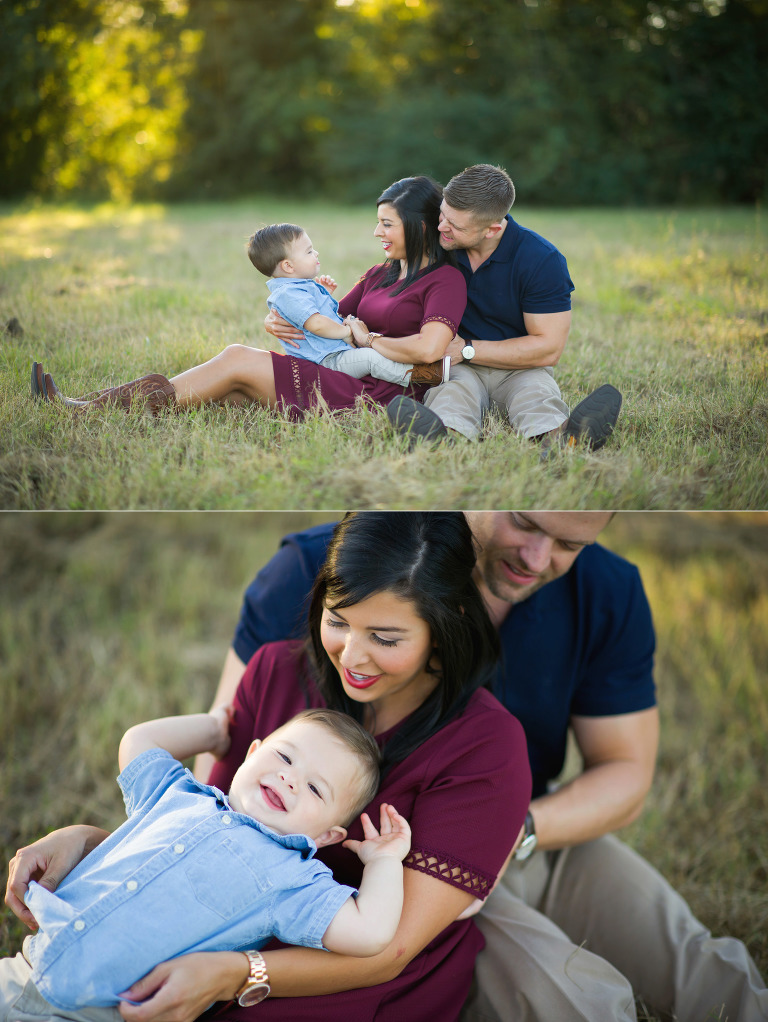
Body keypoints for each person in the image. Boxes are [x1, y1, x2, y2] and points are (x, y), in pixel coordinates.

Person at [194, 512, 767, 1022]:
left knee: (691, 961)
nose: (539, 558)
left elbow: (626, 773)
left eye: (570, 544)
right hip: (362, 870)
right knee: (569, 999)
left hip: (524, 826)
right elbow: (230, 760)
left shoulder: (605, 592)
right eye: (525, 523)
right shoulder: (314, 566)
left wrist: (510, 834)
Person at [5, 512, 532, 1022]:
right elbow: (209, 836)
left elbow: (387, 948)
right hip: (186, 950)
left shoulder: (486, 746)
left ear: (442, 627)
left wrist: (234, 973)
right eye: (338, 621)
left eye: (386, 639)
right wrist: (87, 840)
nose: (351, 655)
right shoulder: (276, 671)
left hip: (353, 985)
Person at [0, 707, 412, 1019]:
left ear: (326, 837)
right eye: (285, 758)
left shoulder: (294, 879)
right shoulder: (178, 793)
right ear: (252, 753)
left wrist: (384, 861)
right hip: (26, 965)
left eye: (315, 789)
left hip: (102, 1011)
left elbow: (371, 932)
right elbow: (138, 741)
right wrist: (214, 729)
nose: (290, 779)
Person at [29, 177, 464, 423]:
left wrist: (368, 342)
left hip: (380, 391)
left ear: (419, 226)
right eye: (377, 222)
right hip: (339, 370)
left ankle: (86, 411)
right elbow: (322, 313)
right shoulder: (378, 273)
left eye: (386, 224)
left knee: (237, 361)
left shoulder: (444, 280)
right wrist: (275, 321)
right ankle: (88, 406)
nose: (376, 233)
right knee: (226, 390)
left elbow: (429, 349)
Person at [384, 164, 624, 450]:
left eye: (456, 226)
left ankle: (566, 442)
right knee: (450, 396)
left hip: (519, 367)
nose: (441, 228)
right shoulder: (439, 246)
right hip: (457, 368)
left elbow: (548, 348)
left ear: (493, 229)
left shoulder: (541, 260)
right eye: (442, 215)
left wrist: (466, 349)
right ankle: (441, 441)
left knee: (536, 396)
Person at [248, 223, 450, 388]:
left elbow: (319, 313)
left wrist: (324, 294)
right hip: (326, 361)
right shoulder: (289, 293)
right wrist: (346, 332)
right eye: (309, 252)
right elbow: (316, 324)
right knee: (370, 358)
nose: (316, 253)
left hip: (333, 354)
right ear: (288, 266)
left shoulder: (300, 288)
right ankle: (417, 376)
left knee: (368, 351)